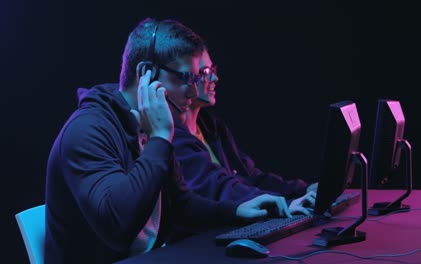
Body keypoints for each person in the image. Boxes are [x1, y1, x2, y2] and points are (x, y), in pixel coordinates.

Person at [44, 18, 295, 263]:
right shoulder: (87, 131)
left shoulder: (149, 125)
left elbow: (181, 205)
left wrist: (237, 211)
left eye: (197, 79)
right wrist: (160, 137)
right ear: (146, 73)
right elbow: (118, 226)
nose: (194, 92)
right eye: (186, 78)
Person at [172, 47, 319, 208]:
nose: (215, 77)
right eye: (205, 72)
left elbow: (249, 177)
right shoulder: (174, 139)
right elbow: (221, 188)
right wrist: (285, 204)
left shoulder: (213, 127)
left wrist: (302, 190)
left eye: (212, 69)